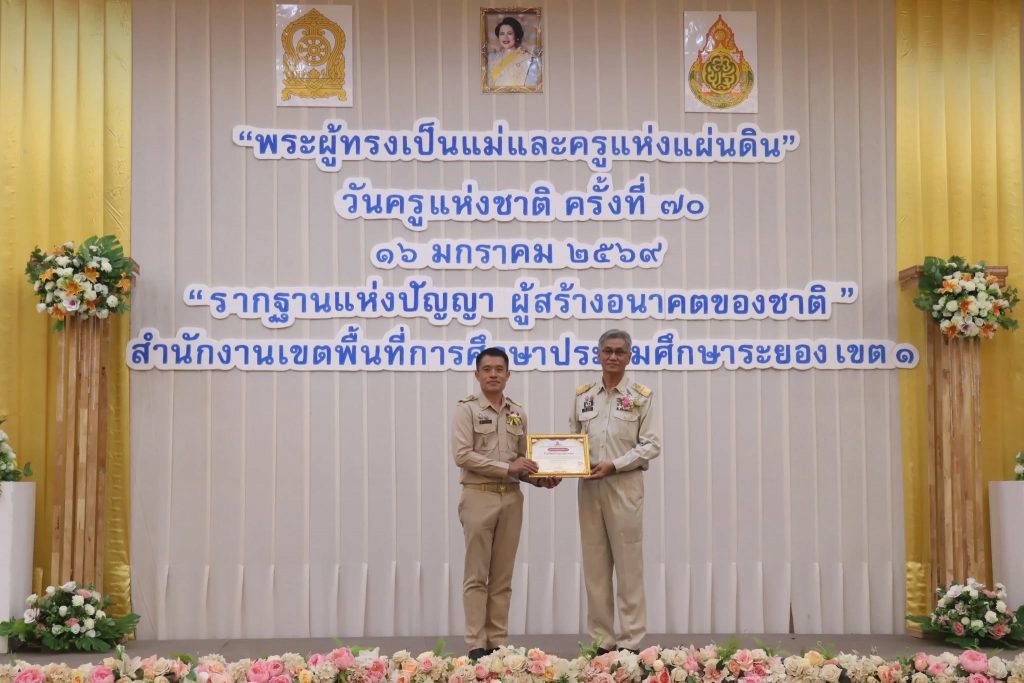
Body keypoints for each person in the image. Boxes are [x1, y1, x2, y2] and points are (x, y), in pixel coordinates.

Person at [451, 347, 559, 660]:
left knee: (502, 577)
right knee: (476, 575)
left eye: (499, 369)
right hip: (478, 495)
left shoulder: (518, 412)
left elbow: (522, 461)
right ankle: (476, 643)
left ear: (508, 375)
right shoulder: (467, 410)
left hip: (511, 498)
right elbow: (462, 455)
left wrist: (540, 479)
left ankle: (497, 643)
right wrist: (507, 468)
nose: (493, 374)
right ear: (477, 375)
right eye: (487, 369)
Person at [569, 329, 661, 653]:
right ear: (598, 354)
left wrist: (615, 464)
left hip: (624, 484)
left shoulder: (641, 396)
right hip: (589, 487)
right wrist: (561, 465)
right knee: (594, 567)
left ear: (629, 356)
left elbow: (652, 445)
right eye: (607, 350)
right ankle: (601, 641)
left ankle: (632, 641)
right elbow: (571, 440)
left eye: (619, 352)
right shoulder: (583, 395)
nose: (612, 356)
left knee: (628, 566)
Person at [487, 16, 540, 88]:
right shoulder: (491, 58)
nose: (505, 37)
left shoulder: (528, 59)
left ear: (516, 35)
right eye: (502, 34)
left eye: (509, 33)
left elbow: (532, 86)